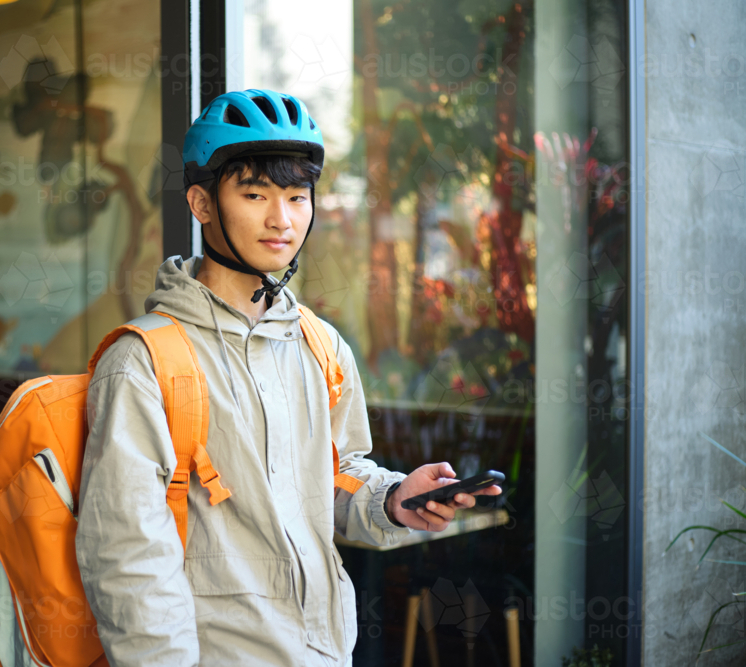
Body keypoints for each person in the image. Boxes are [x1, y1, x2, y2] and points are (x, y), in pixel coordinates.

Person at [75, 89, 502, 667]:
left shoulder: (318, 344)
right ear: (201, 203)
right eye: (254, 195)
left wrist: (394, 499)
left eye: (297, 197)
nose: (282, 219)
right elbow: (126, 558)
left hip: (323, 652)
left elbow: (335, 479)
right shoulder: (145, 360)